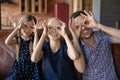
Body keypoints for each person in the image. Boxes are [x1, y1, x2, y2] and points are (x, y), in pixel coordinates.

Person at [69, 10, 120, 80]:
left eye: (86, 23)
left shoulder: (102, 35)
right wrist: (75, 37)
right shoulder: (74, 45)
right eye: (78, 27)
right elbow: (81, 69)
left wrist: (97, 25)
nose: (83, 28)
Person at [5, 14, 42, 80]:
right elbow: (7, 42)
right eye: (25, 26)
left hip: (32, 68)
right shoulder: (18, 39)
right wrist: (17, 28)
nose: (28, 30)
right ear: (21, 26)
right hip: (19, 67)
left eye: (31, 27)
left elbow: (35, 50)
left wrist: (36, 33)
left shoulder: (35, 39)